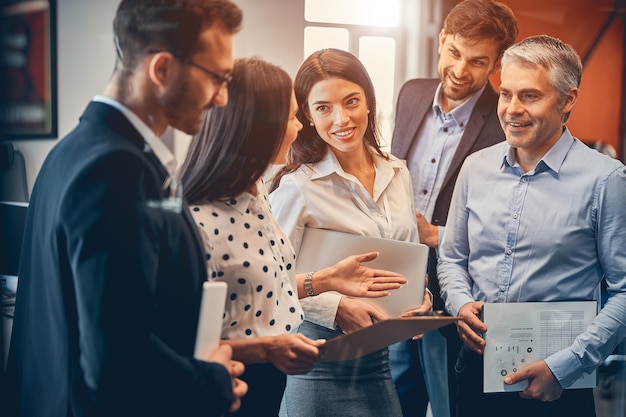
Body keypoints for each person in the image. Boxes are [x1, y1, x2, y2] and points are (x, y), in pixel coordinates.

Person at [1, 1, 248, 416]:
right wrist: (213, 381)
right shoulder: (114, 169)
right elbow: (118, 363)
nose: (222, 97)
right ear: (163, 69)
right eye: (217, 78)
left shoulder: (73, 151)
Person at [179, 56, 409, 417]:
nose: (301, 126)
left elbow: (265, 286)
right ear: (257, 127)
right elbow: (179, 337)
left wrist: (326, 279)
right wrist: (264, 351)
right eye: (292, 116)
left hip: (275, 380)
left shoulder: (254, 194)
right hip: (233, 386)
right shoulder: (197, 219)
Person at [437, 34, 626, 417]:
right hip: (475, 367)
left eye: (530, 96)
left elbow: (624, 291)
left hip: (559, 383)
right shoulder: (475, 168)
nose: (511, 109)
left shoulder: (606, 180)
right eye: (506, 94)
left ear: (567, 99)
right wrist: (461, 304)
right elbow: (451, 258)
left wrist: (565, 367)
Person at [269, 48, 432, 417]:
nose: (341, 118)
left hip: (380, 365)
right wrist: (337, 306)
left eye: (351, 101)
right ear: (307, 116)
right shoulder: (298, 187)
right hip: (317, 366)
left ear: (369, 102)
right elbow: (271, 283)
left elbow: (407, 254)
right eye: (323, 107)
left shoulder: (397, 171)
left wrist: (416, 300)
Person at [389, 1, 518, 416]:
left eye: (478, 61)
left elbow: (510, 225)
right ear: (442, 41)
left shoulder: (506, 125)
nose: (461, 70)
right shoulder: (411, 94)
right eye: (455, 53)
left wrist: (436, 235)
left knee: (448, 403)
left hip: (456, 291)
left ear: (496, 63)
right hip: (395, 278)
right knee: (396, 395)